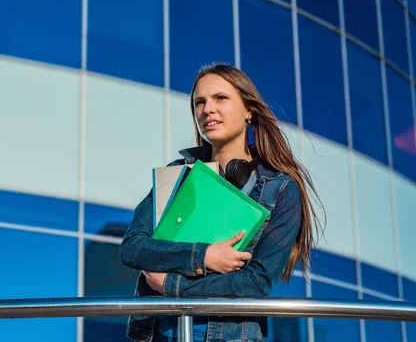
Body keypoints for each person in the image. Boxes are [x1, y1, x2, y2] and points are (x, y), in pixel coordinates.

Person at [118, 63, 324, 342]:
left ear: (249, 110)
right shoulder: (177, 175)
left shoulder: (281, 189)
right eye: (199, 102)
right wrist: (204, 256)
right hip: (159, 334)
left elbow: (256, 283)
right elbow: (132, 248)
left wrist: (172, 284)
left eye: (220, 98)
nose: (207, 109)